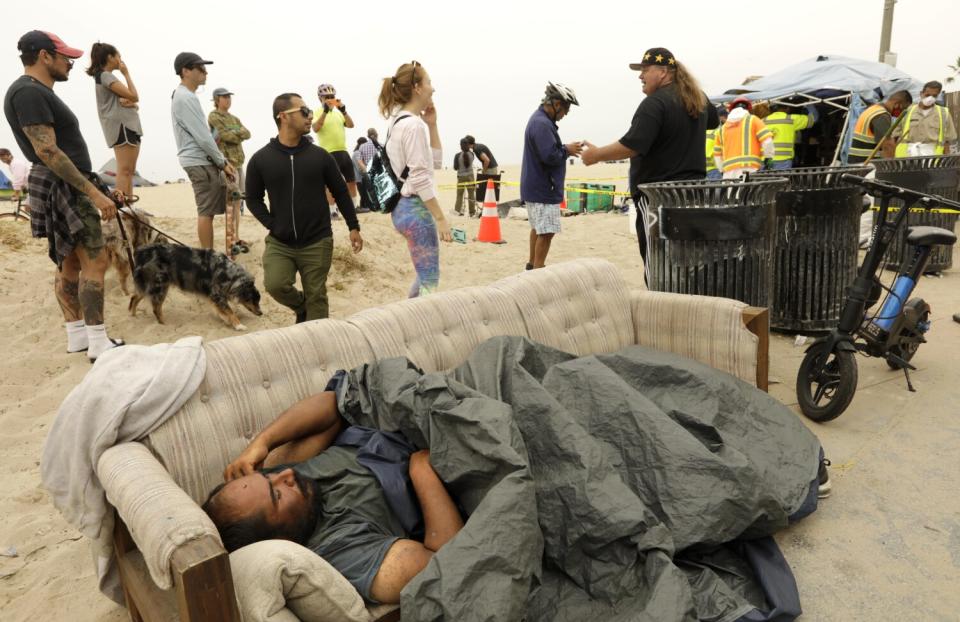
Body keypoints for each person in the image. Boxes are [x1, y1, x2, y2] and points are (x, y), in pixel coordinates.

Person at [201, 387, 464, 605]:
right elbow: (443, 566)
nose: (287, 474)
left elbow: (335, 404)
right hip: (454, 457)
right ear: (282, 538)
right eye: (277, 493)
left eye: (268, 476)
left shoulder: (294, 482)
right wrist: (423, 472)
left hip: (424, 412)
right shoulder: (345, 553)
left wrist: (261, 443)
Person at [4, 30, 124, 361]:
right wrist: (94, 194)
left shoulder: (31, 92)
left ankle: (77, 337)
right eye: (65, 58)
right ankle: (98, 342)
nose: (71, 64)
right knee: (95, 262)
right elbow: (48, 150)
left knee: (69, 261)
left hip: (65, 182)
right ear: (44, 56)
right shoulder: (28, 92)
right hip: (65, 185)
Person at [581, 47, 718, 278]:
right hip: (692, 194)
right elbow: (713, 121)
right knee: (688, 260)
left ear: (663, 72)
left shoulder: (654, 104)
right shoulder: (696, 98)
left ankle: (663, 308)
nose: (640, 76)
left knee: (657, 263)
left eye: (645, 69)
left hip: (657, 197)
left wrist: (595, 155)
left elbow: (632, 145)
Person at [245, 93, 363, 324]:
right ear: (283, 117)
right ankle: (302, 307)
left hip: (317, 240)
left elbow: (340, 192)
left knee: (317, 295)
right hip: (280, 242)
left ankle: (321, 349)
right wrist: (273, 224)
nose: (310, 116)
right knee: (275, 285)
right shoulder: (261, 159)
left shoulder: (320, 156)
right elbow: (253, 199)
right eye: (304, 111)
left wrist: (353, 226)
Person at [379, 61, 451, 298]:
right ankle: (416, 326)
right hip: (415, 210)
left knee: (424, 276)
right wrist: (440, 218)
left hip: (401, 208)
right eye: (429, 83)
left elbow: (435, 164)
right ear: (417, 87)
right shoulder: (412, 125)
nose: (433, 89)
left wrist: (432, 125)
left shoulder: (399, 122)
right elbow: (420, 178)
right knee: (429, 279)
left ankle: (411, 319)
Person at [171, 51, 237, 250]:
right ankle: (208, 258)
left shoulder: (183, 96)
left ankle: (208, 255)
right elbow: (203, 136)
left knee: (206, 211)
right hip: (198, 160)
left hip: (197, 159)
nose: (205, 72)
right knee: (206, 212)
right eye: (200, 68)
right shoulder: (185, 97)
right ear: (186, 71)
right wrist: (222, 162)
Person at [521, 82, 582, 270]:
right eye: (566, 109)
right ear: (556, 104)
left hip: (535, 187)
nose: (566, 114)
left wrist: (565, 149)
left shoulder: (540, 120)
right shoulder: (542, 124)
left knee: (538, 228)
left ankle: (532, 265)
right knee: (547, 232)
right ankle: (538, 270)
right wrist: (567, 150)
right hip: (543, 189)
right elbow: (550, 156)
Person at [85, 42, 142, 200]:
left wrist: (133, 105)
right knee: (125, 170)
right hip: (121, 126)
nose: (120, 59)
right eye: (118, 56)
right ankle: (121, 206)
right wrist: (126, 74)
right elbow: (134, 95)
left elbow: (130, 101)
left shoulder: (104, 76)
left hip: (126, 125)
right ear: (110, 57)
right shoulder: (105, 75)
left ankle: (129, 205)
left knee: (128, 170)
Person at [208, 87, 252, 255]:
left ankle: (237, 237)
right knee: (230, 203)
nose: (228, 99)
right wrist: (236, 132)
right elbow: (226, 136)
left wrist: (235, 131)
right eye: (224, 97)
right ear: (216, 99)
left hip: (239, 162)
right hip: (226, 163)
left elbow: (247, 133)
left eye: (229, 97)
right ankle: (230, 240)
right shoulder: (214, 116)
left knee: (238, 201)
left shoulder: (234, 118)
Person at [312, 84, 358, 213]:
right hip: (328, 152)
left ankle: (354, 207)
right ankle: (332, 211)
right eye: (327, 97)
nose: (330, 99)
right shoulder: (316, 112)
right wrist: (325, 111)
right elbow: (315, 128)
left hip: (343, 150)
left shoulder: (338, 113)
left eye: (332, 96)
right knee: (330, 184)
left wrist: (343, 111)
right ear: (320, 98)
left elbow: (351, 125)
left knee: (351, 181)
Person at [713, 97, 774, 178]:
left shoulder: (721, 129)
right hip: (750, 169)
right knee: (749, 191)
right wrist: (768, 158)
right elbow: (767, 141)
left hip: (729, 172)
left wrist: (721, 170)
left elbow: (717, 154)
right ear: (748, 109)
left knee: (732, 191)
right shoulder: (754, 120)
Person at [892, 81, 957, 157]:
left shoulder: (944, 113)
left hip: (932, 155)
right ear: (921, 93)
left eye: (934, 96)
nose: (930, 98)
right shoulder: (908, 111)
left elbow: (947, 141)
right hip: (907, 155)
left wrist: (946, 161)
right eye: (927, 95)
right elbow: (894, 137)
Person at [847, 90, 913, 163]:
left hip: (856, 163)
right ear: (897, 104)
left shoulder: (872, 109)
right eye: (903, 109)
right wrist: (892, 168)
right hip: (866, 165)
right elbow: (887, 146)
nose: (901, 113)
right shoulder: (881, 115)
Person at [763, 99, 818, 169]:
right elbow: (814, 118)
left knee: (765, 179)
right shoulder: (791, 120)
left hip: (765, 159)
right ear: (787, 108)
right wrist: (809, 102)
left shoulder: (762, 121)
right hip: (782, 160)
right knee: (781, 179)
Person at [464, 135, 499, 202]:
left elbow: (487, 160)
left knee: (487, 191)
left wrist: (484, 171)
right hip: (492, 167)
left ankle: (488, 209)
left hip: (490, 169)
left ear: (468, 144)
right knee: (488, 190)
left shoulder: (477, 148)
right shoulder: (478, 146)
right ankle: (486, 209)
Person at [452, 138, 476, 217]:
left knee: (459, 195)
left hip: (461, 177)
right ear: (468, 145)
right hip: (470, 176)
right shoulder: (472, 154)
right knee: (471, 194)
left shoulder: (457, 155)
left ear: (460, 146)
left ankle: (457, 211)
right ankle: (472, 212)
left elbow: (455, 168)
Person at [351, 137, 373, 213]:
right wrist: (365, 173)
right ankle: (366, 206)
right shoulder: (357, 153)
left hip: (358, 177)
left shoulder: (356, 152)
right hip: (359, 177)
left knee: (363, 193)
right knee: (363, 193)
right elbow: (359, 167)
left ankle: (363, 206)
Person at [704, 106, 727, 180]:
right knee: (717, 191)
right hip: (715, 168)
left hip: (703, 169)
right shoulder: (718, 132)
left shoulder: (702, 132)